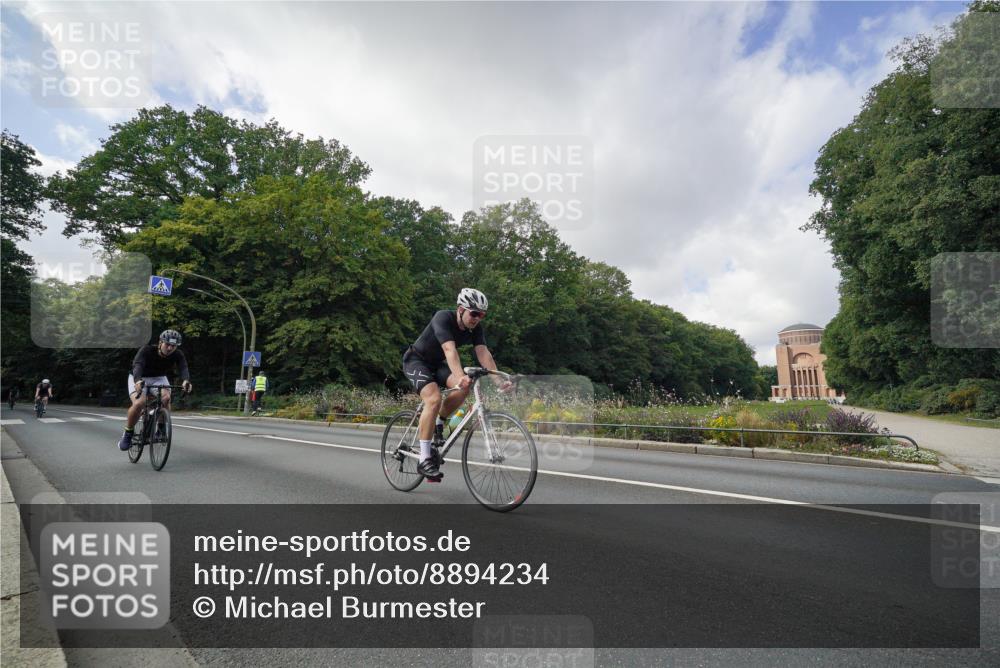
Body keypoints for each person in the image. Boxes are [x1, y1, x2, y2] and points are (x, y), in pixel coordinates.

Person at [402, 288, 512, 481]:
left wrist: (498, 380)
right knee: (434, 399)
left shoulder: (475, 328)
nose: (477, 318)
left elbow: (483, 353)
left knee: (465, 388)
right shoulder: (442, 317)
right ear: (461, 309)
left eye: (482, 315)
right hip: (416, 361)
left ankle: (439, 422)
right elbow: (449, 349)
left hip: (437, 366)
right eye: (474, 313)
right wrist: (460, 375)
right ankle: (424, 458)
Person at [117, 329, 193, 451]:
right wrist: (137, 381)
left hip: (159, 377)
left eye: (173, 346)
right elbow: (138, 365)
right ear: (160, 342)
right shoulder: (146, 350)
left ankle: (161, 429)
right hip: (139, 377)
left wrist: (186, 381)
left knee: (166, 398)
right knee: (139, 404)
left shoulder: (178, 354)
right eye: (167, 344)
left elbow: (183, 368)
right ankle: (128, 433)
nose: (169, 348)